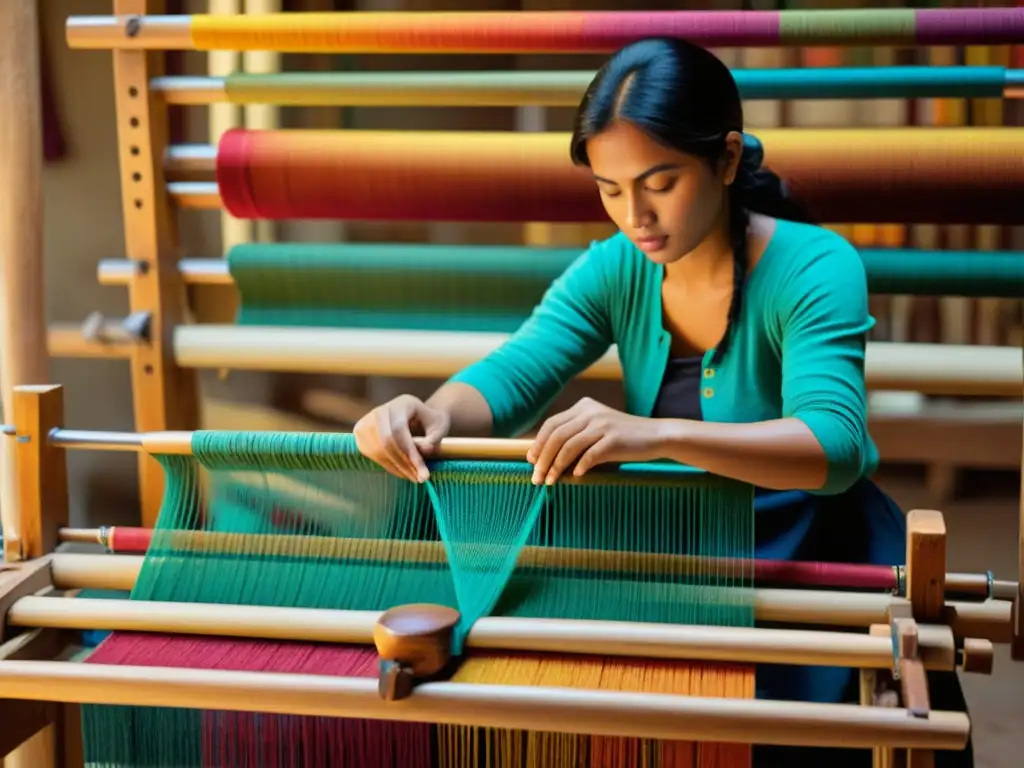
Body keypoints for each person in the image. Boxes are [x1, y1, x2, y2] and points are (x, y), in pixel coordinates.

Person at [354, 37, 972, 767]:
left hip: (816, 560)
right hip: (684, 552)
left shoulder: (815, 265)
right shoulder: (617, 268)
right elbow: (515, 372)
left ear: (729, 158)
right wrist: (429, 414)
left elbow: (832, 447)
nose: (634, 216)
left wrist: (657, 434)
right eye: (611, 190)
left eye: (660, 181)